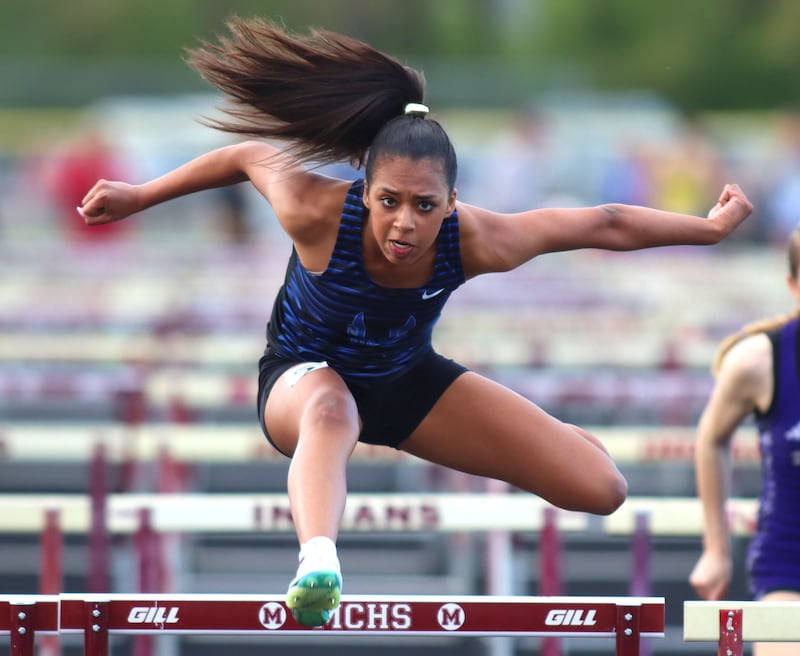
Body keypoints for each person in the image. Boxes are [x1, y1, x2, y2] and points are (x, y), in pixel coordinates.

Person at [77, 18, 753, 628]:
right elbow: (247, 154)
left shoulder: (477, 238)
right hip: (299, 382)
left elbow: (604, 223)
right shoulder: (315, 212)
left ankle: (557, 439)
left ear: (452, 201)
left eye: (425, 206)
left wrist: (709, 228)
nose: (405, 223)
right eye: (389, 202)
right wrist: (141, 195)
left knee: (602, 489)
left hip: (405, 382)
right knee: (331, 407)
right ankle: (318, 561)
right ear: (361, 187)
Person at [690, 226, 800, 656]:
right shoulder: (758, 361)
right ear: (793, 286)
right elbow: (711, 438)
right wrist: (716, 549)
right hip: (790, 567)